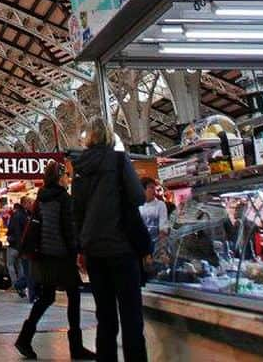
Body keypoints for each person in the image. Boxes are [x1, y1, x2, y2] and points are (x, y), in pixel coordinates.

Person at [71, 116, 148, 362]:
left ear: (89, 137)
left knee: (105, 319)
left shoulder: (80, 168)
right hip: (122, 249)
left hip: (94, 252)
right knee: (132, 318)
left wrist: (81, 248)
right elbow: (138, 197)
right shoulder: (118, 159)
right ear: (108, 134)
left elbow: (77, 213)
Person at [14, 161, 93, 360]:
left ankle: (25, 338)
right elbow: (68, 229)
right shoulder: (64, 198)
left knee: (47, 297)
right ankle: (76, 347)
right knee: (73, 297)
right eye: (65, 175)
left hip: (44, 255)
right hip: (61, 256)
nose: (68, 179)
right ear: (59, 178)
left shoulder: (41, 198)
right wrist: (77, 251)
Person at [6, 198, 31, 298]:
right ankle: (19, 284)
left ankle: (16, 284)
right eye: (29, 202)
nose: (30, 205)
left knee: (11, 265)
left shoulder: (16, 215)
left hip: (14, 246)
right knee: (20, 266)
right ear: (24, 204)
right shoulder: (24, 215)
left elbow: (14, 230)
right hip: (20, 246)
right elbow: (19, 232)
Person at [139, 177, 168, 252]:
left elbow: (163, 227)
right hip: (140, 243)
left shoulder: (160, 205)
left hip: (155, 244)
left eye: (154, 188)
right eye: (151, 187)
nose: (154, 191)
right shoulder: (137, 205)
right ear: (143, 189)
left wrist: (162, 249)